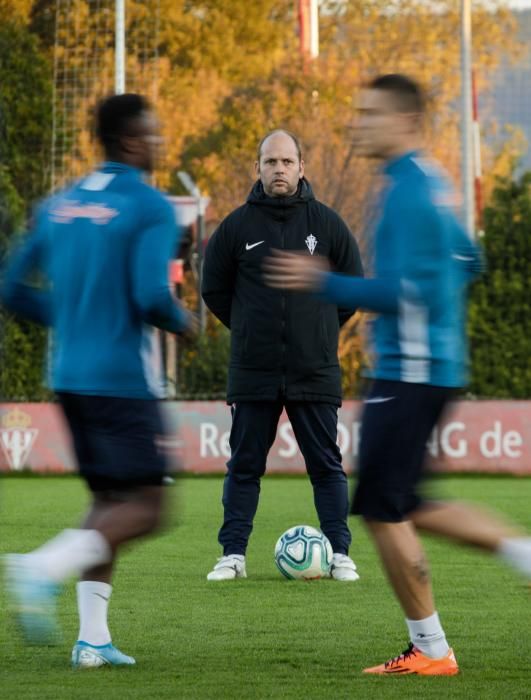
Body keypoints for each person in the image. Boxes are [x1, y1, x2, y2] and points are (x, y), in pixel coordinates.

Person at [264, 74, 531, 675]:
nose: (359, 122)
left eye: (371, 113)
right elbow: (470, 256)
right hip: (432, 365)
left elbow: (401, 289)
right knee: (404, 500)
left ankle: (432, 649)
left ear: (405, 120)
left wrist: (319, 280)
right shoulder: (429, 182)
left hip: (409, 370)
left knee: (386, 508)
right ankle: (508, 571)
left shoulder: (407, 191)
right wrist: (440, 314)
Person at [1, 93, 197, 668]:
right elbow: (149, 295)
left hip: (69, 375)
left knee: (108, 501)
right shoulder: (151, 207)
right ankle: (39, 567)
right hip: (121, 377)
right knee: (153, 507)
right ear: (131, 140)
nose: (159, 142)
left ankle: (91, 639)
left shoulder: (58, 206)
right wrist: (181, 321)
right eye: (153, 133)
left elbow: (11, 287)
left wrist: (71, 316)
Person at [201, 129, 363, 582]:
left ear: (301, 167)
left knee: (326, 465)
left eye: (287, 162)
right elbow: (213, 290)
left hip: (315, 370)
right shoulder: (235, 227)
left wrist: (320, 329)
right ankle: (232, 555)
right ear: (258, 168)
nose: (279, 170)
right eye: (270, 162)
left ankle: (340, 553)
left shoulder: (328, 225)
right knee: (245, 465)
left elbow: (350, 288)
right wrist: (251, 328)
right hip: (254, 371)